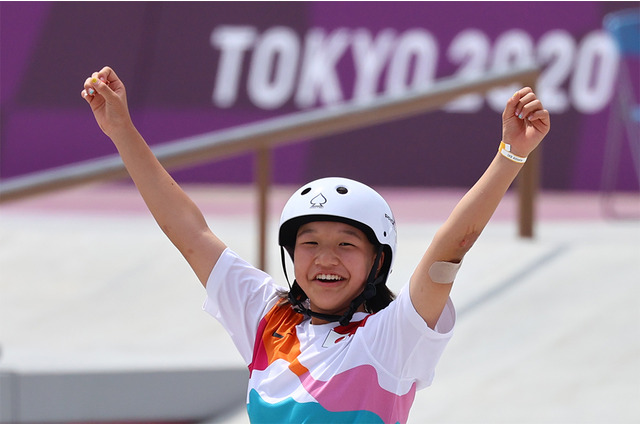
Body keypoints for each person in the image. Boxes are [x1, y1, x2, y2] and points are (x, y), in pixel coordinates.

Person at [82, 66, 550, 423]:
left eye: (347, 244)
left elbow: (451, 249)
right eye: (309, 243)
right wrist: (121, 130)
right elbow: (189, 232)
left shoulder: (391, 337)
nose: (325, 259)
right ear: (291, 255)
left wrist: (511, 155)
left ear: (377, 261)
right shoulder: (267, 317)